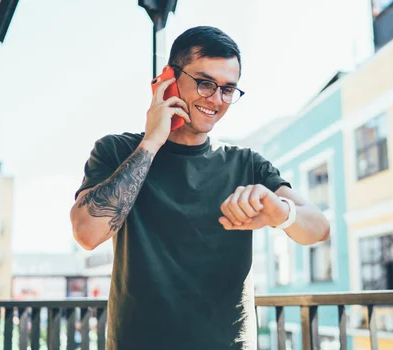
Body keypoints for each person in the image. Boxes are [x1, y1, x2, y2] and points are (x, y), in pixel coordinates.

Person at [69, 25, 330, 350]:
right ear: (169, 78)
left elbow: (318, 228)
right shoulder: (117, 152)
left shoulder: (247, 164)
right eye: (205, 83)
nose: (216, 100)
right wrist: (151, 142)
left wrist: (280, 213)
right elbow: (87, 233)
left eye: (228, 89)